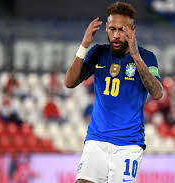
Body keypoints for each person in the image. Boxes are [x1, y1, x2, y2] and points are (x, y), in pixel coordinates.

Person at [65, 2, 163, 183]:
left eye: (122, 30)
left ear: (132, 30)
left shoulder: (147, 57)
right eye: (112, 29)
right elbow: (70, 82)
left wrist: (135, 55)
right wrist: (84, 44)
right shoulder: (98, 53)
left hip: (128, 145)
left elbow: (157, 93)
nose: (116, 35)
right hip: (97, 140)